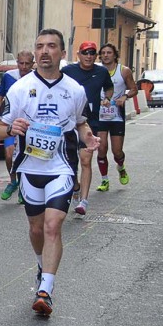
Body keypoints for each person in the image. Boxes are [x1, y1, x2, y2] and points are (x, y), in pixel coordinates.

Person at [0, 29, 99, 316]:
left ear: (62, 53)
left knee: (53, 226)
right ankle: (41, 265)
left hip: (61, 167)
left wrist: (88, 137)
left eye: (51, 46)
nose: (44, 51)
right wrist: (11, 128)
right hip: (29, 168)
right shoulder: (19, 89)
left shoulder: (75, 90)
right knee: (37, 228)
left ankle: (45, 291)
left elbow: (81, 123)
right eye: (39, 46)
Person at [61, 40, 112, 215]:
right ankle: (75, 186)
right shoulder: (68, 71)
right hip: (70, 121)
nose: (89, 56)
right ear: (78, 55)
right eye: (85, 53)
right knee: (69, 162)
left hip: (90, 122)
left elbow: (109, 87)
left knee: (85, 160)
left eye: (92, 53)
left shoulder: (102, 72)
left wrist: (107, 98)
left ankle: (83, 201)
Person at [93, 43, 137, 191]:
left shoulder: (124, 71)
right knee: (101, 149)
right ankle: (104, 180)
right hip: (100, 116)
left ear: (115, 55)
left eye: (109, 53)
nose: (106, 55)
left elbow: (134, 89)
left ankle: (121, 166)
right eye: (103, 53)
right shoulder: (96, 71)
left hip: (116, 116)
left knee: (117, 151)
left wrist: (125, 96)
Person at [0, 50, 35, 203]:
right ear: (17, 63)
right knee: (9, 154)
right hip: (11, 125)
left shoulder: (35, 79)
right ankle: (13, 181)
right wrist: (2, 111)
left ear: (32, 64)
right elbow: (0, 93)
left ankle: (23, 187)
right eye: (21, 63)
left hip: (27, 126)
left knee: (24, 156)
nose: (23, 67)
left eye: (27, 64)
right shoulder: (9, 76)